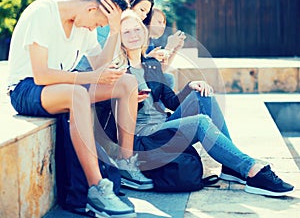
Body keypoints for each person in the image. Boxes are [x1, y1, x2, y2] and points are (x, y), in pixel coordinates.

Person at [6, 0, 153, 218]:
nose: (94, 28)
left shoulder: (84, 25)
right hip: (26, 89)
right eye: (98, 23)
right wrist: (91, 78)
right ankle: (97, 188)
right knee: (78, 95)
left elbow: (99, 66)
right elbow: (41, 76)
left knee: (127, 83)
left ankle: (125, 162)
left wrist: (115, 31)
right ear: (91, 8)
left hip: (63, 87)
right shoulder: (42, 13)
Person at [117, 10, 294, 197]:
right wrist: (128, 100)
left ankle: (230, 166)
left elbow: (171, 101)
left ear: (144, 32)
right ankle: (251, 169)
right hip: (144, 136)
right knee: (200, 122)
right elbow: (112, 116)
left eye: (137, 29)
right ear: (119, 38)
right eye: (126, 32)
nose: (133, 35)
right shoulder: (118, 69)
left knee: (203, 94)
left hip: (164, 126)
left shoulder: (151, 64)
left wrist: (190, 87)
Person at [76, 0, 154, 72]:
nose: (144, 16)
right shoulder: (104, 22)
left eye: (147, 13)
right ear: (130, 3)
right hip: (87, 70)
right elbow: (103, 58)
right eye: (142, 10)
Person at [146, 7, 186, 89]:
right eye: (159, 22)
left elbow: (161, 69)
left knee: (168, 77)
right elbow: (147, 72)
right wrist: (169, 47)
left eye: (164, 23)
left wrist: (175, 49)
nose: (163, 26)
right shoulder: (139, 42)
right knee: (168, 78)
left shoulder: (150, 43)